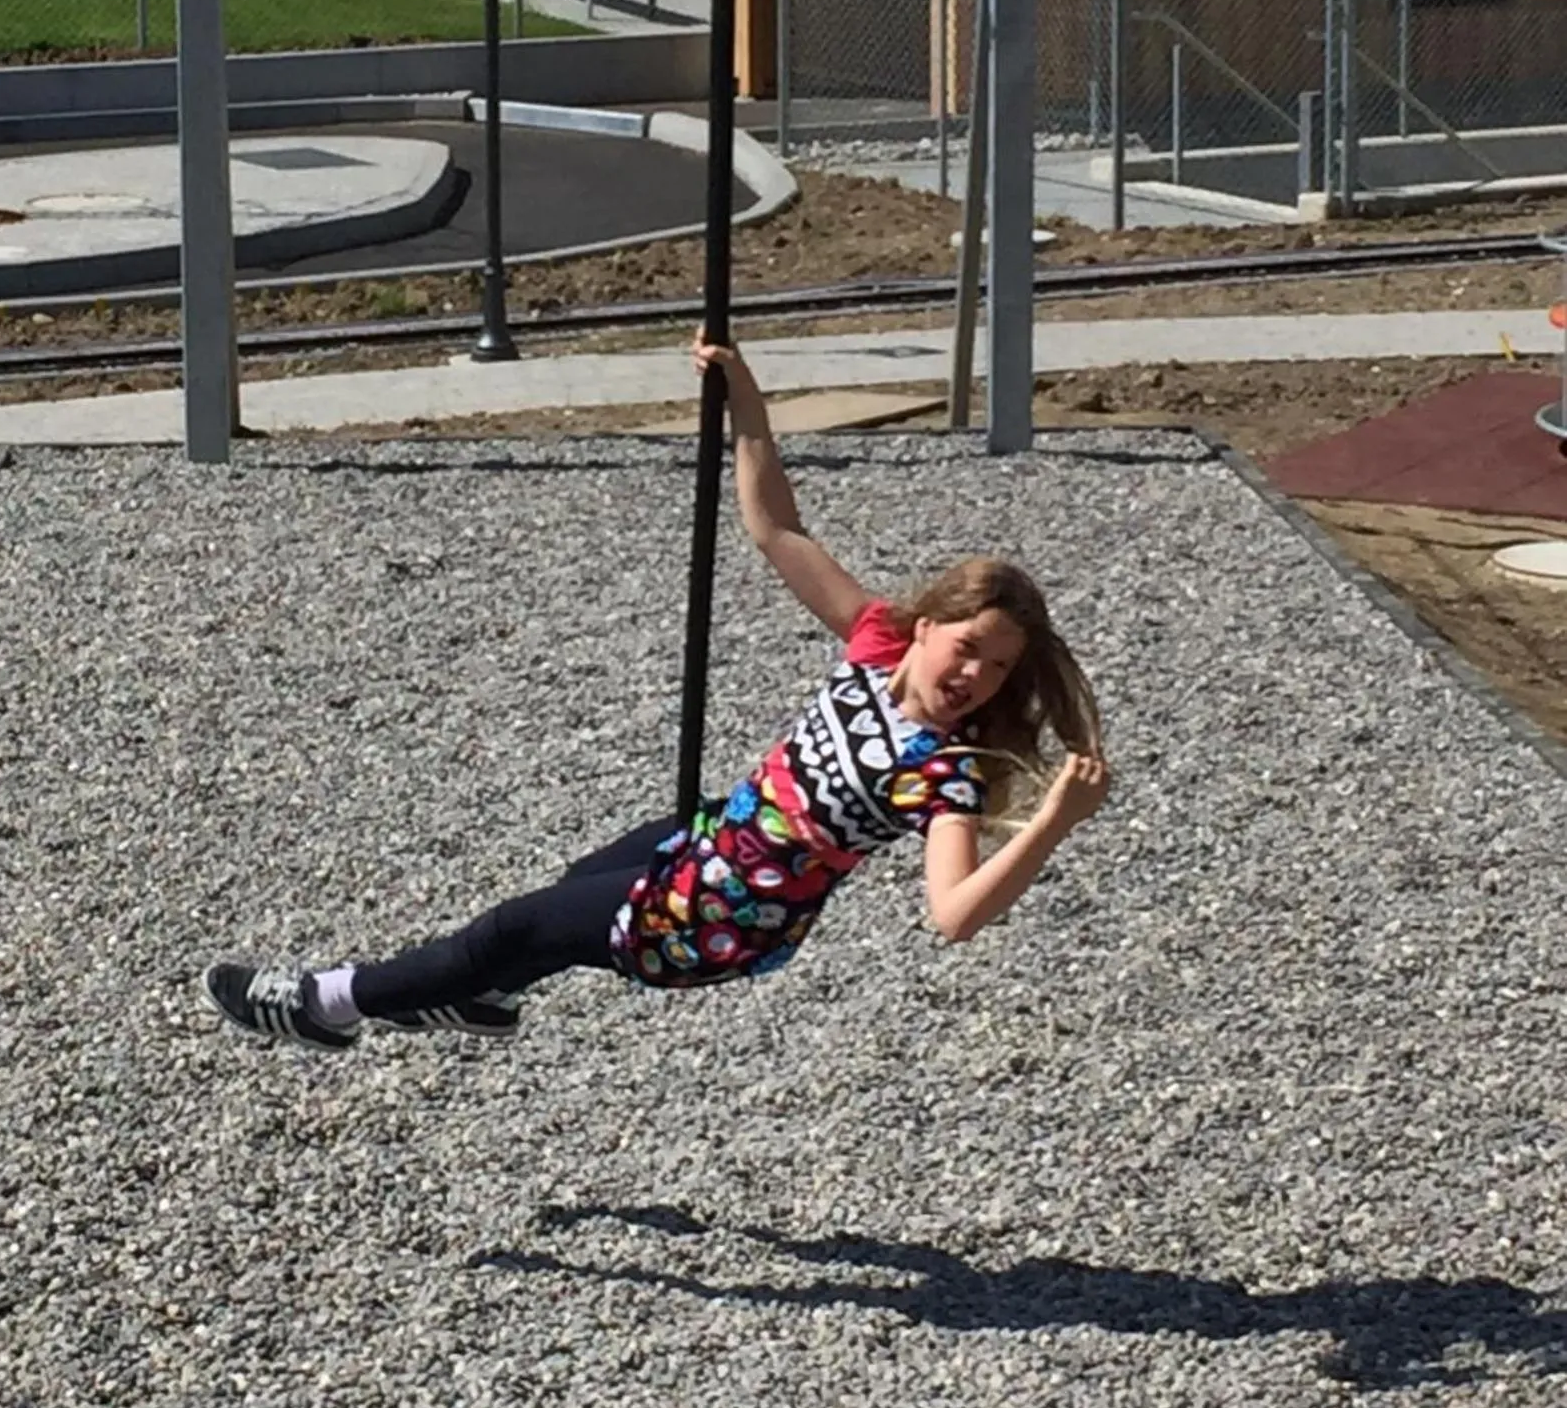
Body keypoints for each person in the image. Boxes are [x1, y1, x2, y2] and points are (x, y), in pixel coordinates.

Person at [206, 338, 1111, 1053]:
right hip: (707, 838)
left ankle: (323, 1002)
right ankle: (473, 998)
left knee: (506, 930)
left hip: (719, 913)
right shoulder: (874, 641)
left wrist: (1052, 822)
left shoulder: (941, 775)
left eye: (996, 670)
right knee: (564, 896)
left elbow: (954, 917)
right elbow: (776, 527)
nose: (974, 679)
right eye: (968, 651)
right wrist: (743, 394)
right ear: (924, 627)